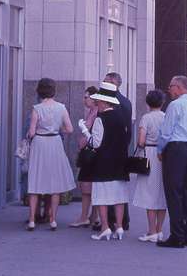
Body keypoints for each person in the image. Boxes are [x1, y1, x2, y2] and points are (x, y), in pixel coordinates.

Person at [79, 81, 130, 242]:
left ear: (104, 102)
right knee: (119, 197)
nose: (97, 103)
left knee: (101, 197)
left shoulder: (101, 119)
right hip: (120, 162)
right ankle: (120, 227)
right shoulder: (121, 117)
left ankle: (105, 227)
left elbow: (96, 143)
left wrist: (85, 131)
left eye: (98, 101)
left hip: (103, 163)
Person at [157, 75, 187, 249]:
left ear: (179, 87)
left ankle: (177, 236)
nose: (169, 90)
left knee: (174, 193)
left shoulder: (175, 106)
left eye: (171, 86)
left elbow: (166, 131)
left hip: (176, 150)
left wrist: (160, 150)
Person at [26, 77, 76, 231]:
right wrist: (57, 129)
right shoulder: (61, 108)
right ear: (54, 91)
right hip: (54, 142)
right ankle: (53, 219)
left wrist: (29, 134)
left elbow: (32, 132)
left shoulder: (37, 108)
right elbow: (70, 129)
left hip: (39, 144)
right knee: (54, 183)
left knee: (35, 182)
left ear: (39, 91)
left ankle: (32, 220)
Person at [133, 89, 167, 242]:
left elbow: (140, 141)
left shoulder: (146, 118)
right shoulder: (166, 117)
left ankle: (151, 230)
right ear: (162, 102)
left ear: (147, 102)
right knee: (161, 194)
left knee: (149, 193)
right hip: (163, 156)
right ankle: (159, 230)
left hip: (149, 155)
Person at [104, 71, 132, 231]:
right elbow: (128, 129)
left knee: (108, 185)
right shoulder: (126, 101)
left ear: (114, 83)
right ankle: (123, 220)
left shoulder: (110, 102)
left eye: (106, 81)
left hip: (109, 149)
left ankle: (110, 220)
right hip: (122, 149)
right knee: (120, 186)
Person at [70, 85, 99, 228]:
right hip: (91, 153)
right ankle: (94, 216)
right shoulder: (93, 112)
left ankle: (84, 217)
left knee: (86, 185)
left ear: (94, 99)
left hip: (90, 153)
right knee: (91, 185)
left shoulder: (95, 113)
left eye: (86, 97)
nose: (84, 100)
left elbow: (89, 134)